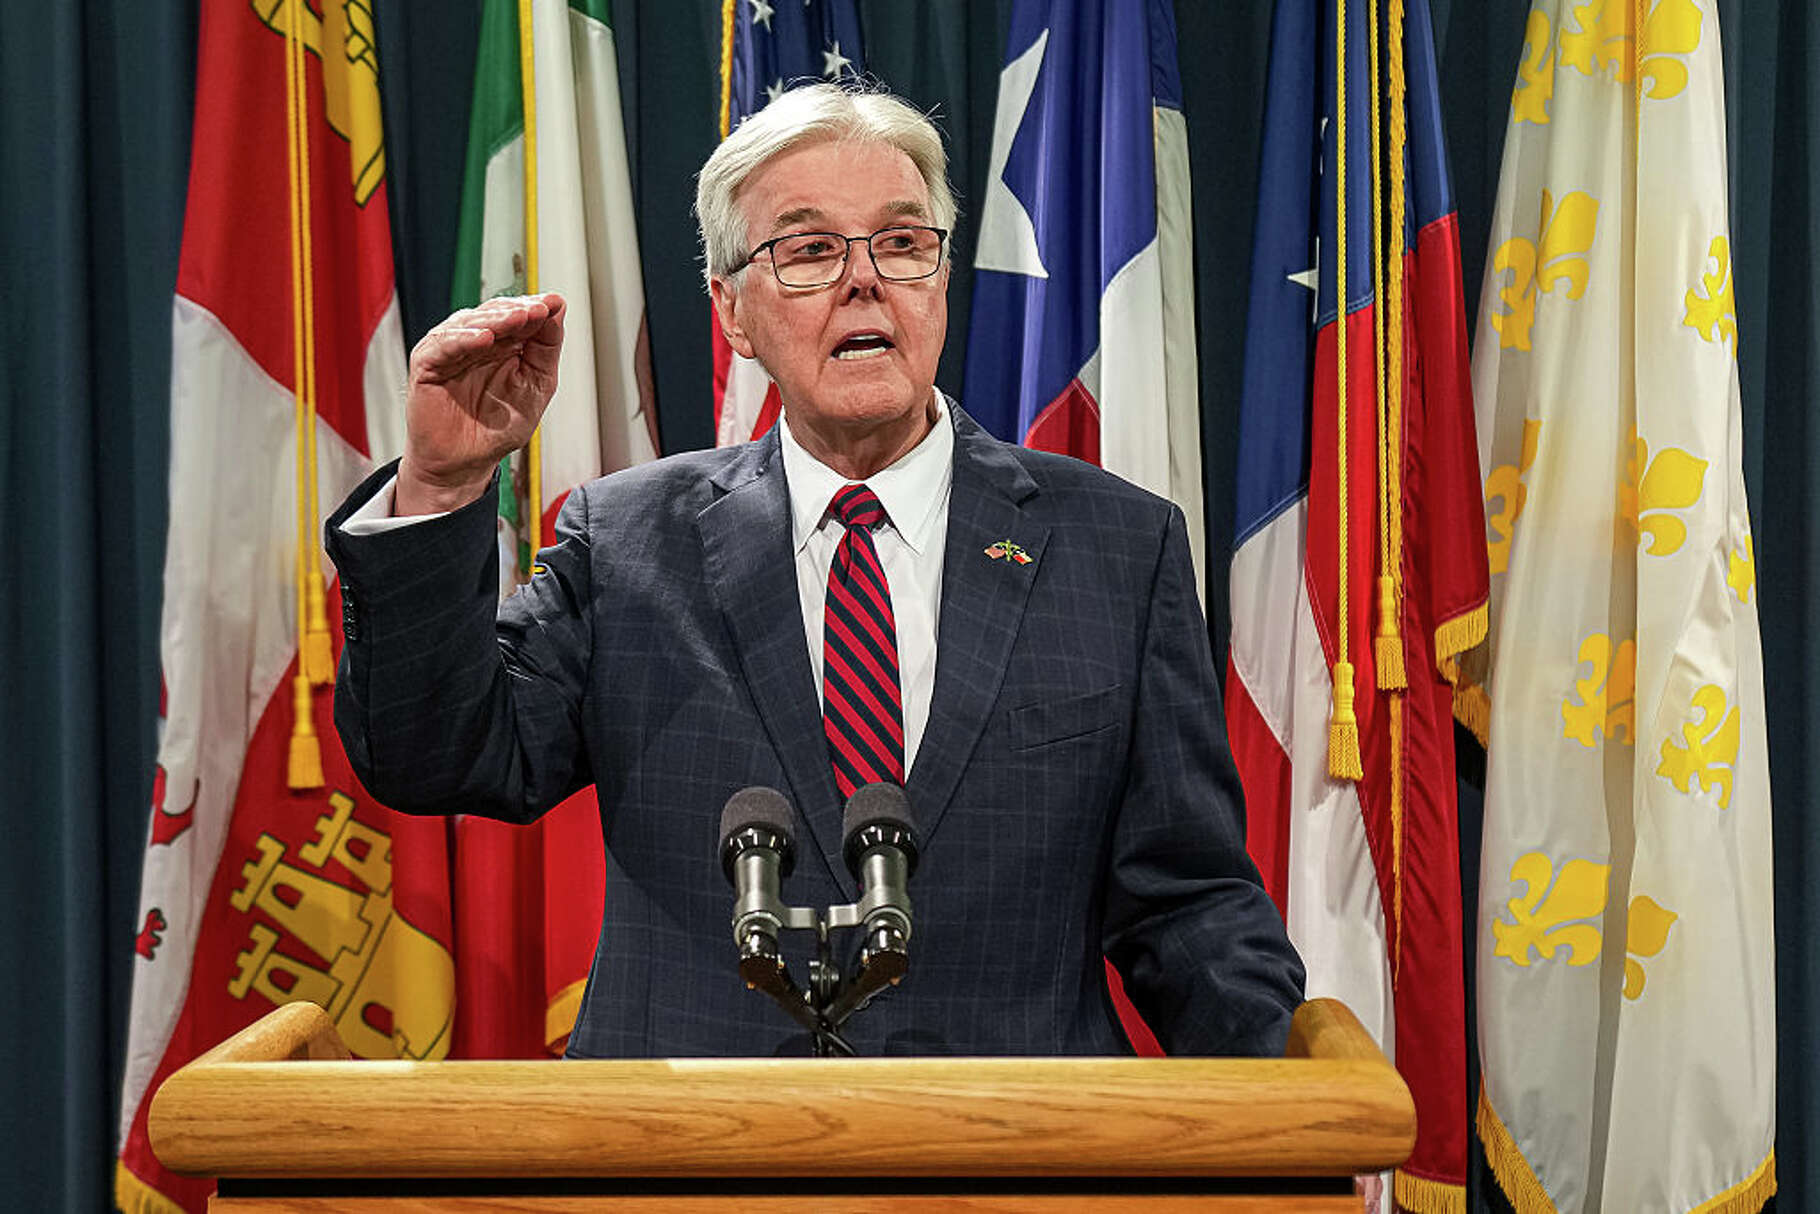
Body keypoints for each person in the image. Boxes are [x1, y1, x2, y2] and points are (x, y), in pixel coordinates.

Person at [326, 83, 1303, 1058]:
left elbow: (1185, 896)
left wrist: (1293, 1114)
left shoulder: (1114, 546)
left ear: (940, 279)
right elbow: (437, 755)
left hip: (1007, 1155)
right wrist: (442, 481)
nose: (864, 279)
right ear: (732, 312)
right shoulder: (628, 540)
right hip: (692, 1164)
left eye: (901, 242)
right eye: (807, 250)